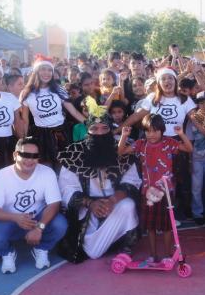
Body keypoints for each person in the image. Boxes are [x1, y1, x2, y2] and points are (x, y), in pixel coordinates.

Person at [58, 112, 142, 262]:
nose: (100, 133)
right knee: (93, 253)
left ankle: (125, 248)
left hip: (115, 203)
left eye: (104, 128)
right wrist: (91, 203)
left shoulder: (123, 149)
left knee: (128, 205)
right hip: (88, 209)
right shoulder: (73, 153)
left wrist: (113, 200)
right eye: (94, 129)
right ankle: (101, 243)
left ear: (111, 129)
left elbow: (132, 180)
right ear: (87, 130)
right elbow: (67, 188)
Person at [0, 137, 67, 274]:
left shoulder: (47, 172)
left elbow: (54, 204)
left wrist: (39, 228)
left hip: (38, 218)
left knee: (60, 224)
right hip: (10, 220)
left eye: (35, 156)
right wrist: (16, 218)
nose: (30, 160)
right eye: (25, 155)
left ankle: (42, 248)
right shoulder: (0, 176)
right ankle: (7, 253)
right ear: (15, 155)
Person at [118, 114, 192, 263]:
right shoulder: (140, 144)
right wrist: (124, 136)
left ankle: (168, 255)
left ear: (162, 130)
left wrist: (181, 134)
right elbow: (121, 152)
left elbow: (189, 148)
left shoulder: (169, 142)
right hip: (148, 193)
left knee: (166, 227)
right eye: (148, 131)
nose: (151, 134)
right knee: (150, 227)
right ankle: (153, 255)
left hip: (166, 192)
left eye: (155, 131)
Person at [19, 56, 85, 165]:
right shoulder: (26, 93)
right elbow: (25, 120)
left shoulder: (59, 89)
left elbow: (73, 112)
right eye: (43, 69)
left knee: (65, 166)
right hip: (41, 136)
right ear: (36, 71)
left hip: (62, 133)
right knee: (45, 167)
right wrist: (24, 140)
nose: (47, 73)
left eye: (50, 70)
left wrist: (89, 123)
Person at [187, 91, 205, 226]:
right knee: (196, 187)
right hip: (196, 159)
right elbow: (189, 142)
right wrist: (190, 160)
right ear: (197, 105)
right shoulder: (191, 122)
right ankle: (197, 213)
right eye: (202, 103)